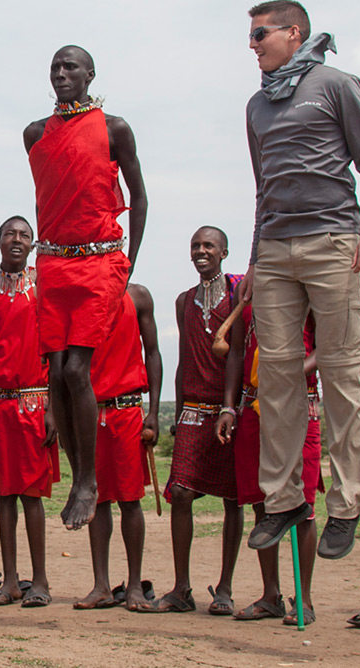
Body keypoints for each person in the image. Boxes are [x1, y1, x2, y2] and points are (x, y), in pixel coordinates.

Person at [239, 0, 360, 560]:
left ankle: (346, 505)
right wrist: (255, 257)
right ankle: (283, 501)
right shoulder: (257, 104)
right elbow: (262, 188)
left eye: (259, 34)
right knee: (276, 377)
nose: (251, 45)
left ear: (292, 32)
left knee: (339, 372)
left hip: (334, 243)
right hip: (276, 247)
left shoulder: (335, 84)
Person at [25, 44, 150, 531]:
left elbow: (139, 198)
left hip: (100, 262)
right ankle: (81, 476)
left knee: (78, 369)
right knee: (55, 372)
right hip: (53, 263)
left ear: (90, 75)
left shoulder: (114, 129)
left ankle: (85, 479)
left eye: (70, 66)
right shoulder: (35, 134)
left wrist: (128, 264)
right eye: (54, 66)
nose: (60, 73)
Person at [145, 226, 241, 614]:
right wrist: (178, 408)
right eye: (196, 246)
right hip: (193, 410)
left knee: (233, 500)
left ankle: (225, 589)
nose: (201, 251)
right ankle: (181, 588)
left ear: (224, 252)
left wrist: (232, 407)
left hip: (229, 410)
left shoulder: (238, 296)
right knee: (180, 493)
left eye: (209, 246)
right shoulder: (185, 301)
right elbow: (185, 356)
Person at [0, 217, 59, 608]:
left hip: (35, 402)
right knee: (5, 495)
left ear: (33, 244)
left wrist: (55, 407)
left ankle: (39, 581)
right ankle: (10, 582)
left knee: (32, 496)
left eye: (24, 235)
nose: (17, 240)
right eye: (10, 234)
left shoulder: (46, 286)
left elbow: (57, 351)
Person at [224, 319, 322, 623]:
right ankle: (270, 595)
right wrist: (229, 407)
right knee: (261, 503)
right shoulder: (248, 299)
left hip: (298, 401)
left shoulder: (310, 289)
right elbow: (237, 353)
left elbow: (328, 347)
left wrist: (289, 373)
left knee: (303, 505)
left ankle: (303, 601)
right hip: (254, 406)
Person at [73, 283, 160, 612]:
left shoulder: (137, 296)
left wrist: (152, 412)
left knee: (130, 500)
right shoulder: (81, 298)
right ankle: (101, 586)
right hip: (89, 412)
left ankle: (135, 586)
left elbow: (152, 352)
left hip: (127, 410)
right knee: (96, 498)